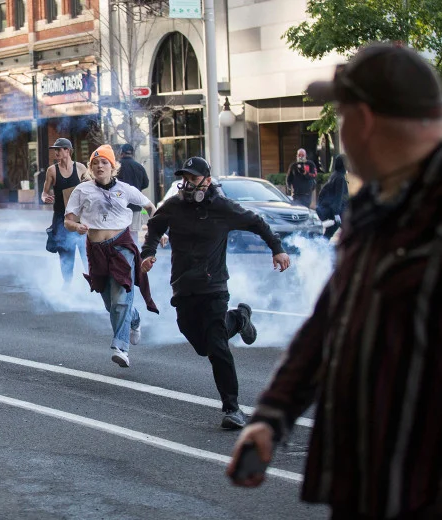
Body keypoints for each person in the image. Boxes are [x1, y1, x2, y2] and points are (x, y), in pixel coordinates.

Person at [228, 43, 442, 519]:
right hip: (365, 484)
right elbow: (331, 322)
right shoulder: (377, 206)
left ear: (363, 119)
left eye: (342, 116)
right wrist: (272, 417)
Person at [140, 156, 291, 430]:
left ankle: (232, 409)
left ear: (207, 181)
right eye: (185, 179)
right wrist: (148, 252)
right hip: (183, 286)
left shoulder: (222, 207)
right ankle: (240, 318)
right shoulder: (174, 205)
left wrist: (277, 249)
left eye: (194, 179)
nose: (188, 184)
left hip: (214, 287)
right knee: (201, 345)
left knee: (217, 346)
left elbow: (256, 222)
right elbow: (154, 226)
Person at [64, 145, 157, 367]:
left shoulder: (125, 189)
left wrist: (157, 231)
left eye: (104, 162)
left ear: (113, 166)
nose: (99, 166)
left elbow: (150, 207)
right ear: (90, 168)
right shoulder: (82, 190)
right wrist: (76, 226)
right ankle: (134, 319)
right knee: (110, 304)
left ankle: (121, 348)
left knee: (121, 298)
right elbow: (67, 220)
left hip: (121, 247)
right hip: (96, 250)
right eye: (95, 163)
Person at [41, 137, 89, 285]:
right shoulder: (52, 170)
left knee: (87, 253)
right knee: (66, 255)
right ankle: (67, 285)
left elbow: (90, 185)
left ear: (67, 150)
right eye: (55, 150)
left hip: (80, 218)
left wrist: (88, 182)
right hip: (61, 219)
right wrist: (45, 198)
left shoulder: (80, 168)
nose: (56, 152)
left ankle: (93, 284)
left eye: (58, 149)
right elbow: (44, 192)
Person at [116, 143, 150, 244]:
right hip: (135, 205)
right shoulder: (139, 166)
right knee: (133, 234)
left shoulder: (116, 166)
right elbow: (146, 183)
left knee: (120, 234)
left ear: (121, 153)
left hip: (120, 205)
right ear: (132, 153)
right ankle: (134, 252)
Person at [315, 154, 349, 240]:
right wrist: (336, 213)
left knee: (330, 231)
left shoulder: (335, 175)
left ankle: (322, 244)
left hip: (333, 209)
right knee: (348, 230)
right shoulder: (340, 178)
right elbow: (338, 197)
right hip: (338, 211)